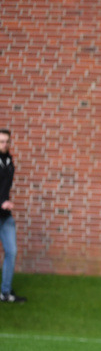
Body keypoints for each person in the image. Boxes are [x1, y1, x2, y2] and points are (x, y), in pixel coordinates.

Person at [0, 128, 26, 303]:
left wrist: (5, 204)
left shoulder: (9, 160)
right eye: (1, 141)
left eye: (7, 141)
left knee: (12, 251)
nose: (4, 144)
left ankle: (5, 292)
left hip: (5, 215)